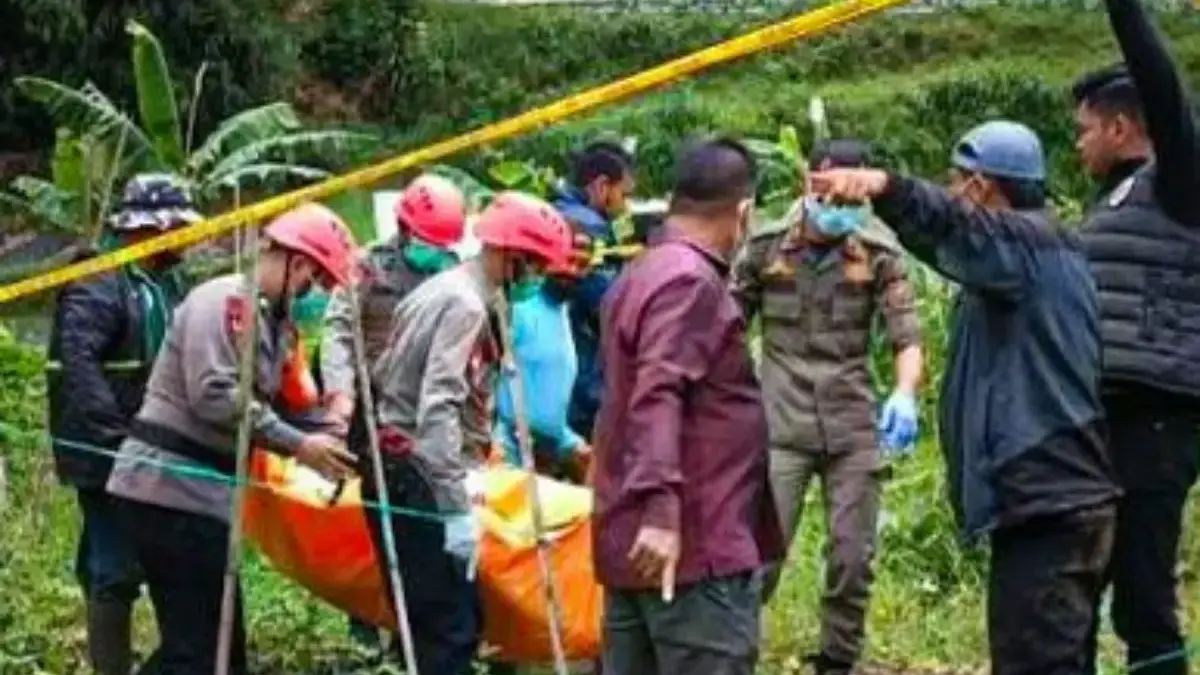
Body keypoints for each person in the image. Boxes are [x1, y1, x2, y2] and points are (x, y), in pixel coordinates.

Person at [808, 120, 1120, 675]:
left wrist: (886, 186)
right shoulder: (1036, 255)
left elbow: (948, 225)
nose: (953, 193)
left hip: (1049, 502)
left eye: (956, 183)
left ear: (979, 188)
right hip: (1054, 502)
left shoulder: (1026, 247)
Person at [105, 203, 360, 675]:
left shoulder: (275, 325)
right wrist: (300, 446)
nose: (312, 293)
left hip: (204, 498)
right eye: (313, 280)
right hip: (168, 492)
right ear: (295, 263)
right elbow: (216, 396)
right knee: (198, 654)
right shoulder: (223, 301)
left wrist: (326, 432)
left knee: (221, 652)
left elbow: (276, 408)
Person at [592, 137, 784, 675]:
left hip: (641, 546)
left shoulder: (642, 272)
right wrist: (661, 512)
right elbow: (658, 394)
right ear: (743, 214)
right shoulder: (690, 282)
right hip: (689, 550)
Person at [731, 138, 924, 675]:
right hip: (779, 425)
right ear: (808, 185)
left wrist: (904, 393)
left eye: (852, 198)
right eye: (832, 195)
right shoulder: (765, 247)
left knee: (851, 559)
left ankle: (837, 663)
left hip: (852, 427)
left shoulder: (878, 251)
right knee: (758, 559)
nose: (841, 209)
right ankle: (730, 657)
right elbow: (723, 332)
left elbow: (907, 337)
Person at [367, 191, 573, 675]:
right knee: (449, 631)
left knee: (449, 621)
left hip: (401, 463)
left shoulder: (440, 289)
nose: (538, 276)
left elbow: (387, 374)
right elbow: (437, 405)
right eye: (535, 264)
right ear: (511, 255)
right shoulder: (464, 306)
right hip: (421, 475)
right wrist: (454, 507)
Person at [1074, 2, 1200, 672]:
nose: (1079, 143)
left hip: (1156, 416)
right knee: (1080, 582)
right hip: (1105, 414)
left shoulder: (1181, 183)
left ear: (1123, 127)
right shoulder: (1110, 207)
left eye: (1086, 130)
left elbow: (1164, 87)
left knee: (1144, 597)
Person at [46, 173, 200, 675]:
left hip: (151, 445)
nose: (187, 239)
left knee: (141, 556)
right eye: (177, 227)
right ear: (149, 229)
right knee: (115, 563)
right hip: (105, 448)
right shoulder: (99, 280)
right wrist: (117, 439)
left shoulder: (163, 280)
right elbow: (78, 364)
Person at [317, 173, 467, 646]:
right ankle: (371, 620)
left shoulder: (451, 273)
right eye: (426, 242)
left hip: (433, 413)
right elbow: (339, 333)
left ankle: (419, 635)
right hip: (374, 414)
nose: (433, 252)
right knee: (383, 524)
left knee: (428, 534)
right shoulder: (366, 267)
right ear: (403, 230)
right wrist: (340, 397)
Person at [550, 140, 637, 439]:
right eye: (623, 195)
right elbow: (611, 304)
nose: (626, 206)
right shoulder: (588, 227)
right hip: (580, 376)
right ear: (601, 186)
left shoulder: (556, 212)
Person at [492, 240, 593, 484]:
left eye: (582, 265)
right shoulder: (519, 311)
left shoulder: (564, 314)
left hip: (554, 439)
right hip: (510, 445)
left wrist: (567, 442)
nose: (573, 272)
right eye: (568, 262)